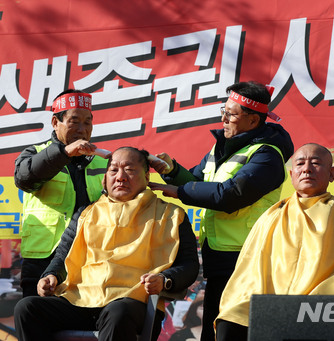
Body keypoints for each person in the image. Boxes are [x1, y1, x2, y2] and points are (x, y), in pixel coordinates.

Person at [149, 81, 293, 341]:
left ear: (252, 120)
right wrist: (169, 170)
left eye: (231, 114)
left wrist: (179, 192)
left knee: (231, 332)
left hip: (247, 257)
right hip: (217, 254)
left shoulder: (267, 156)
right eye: (223, 111)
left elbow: (232, 195)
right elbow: (196, 180)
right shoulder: (221, 147)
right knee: (212, 331)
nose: (224, 119)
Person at [14, 147, 199, 341]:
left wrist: (164, 279)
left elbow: (189, 265)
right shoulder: (86, 213)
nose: (120, 177)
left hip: (130, 302)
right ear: (105, 178)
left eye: (129, 170)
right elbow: (63, 256)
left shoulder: (171, 215)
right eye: (113, 170)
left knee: (118, 312)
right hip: (79, 299)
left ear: (146, 177)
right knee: (27, 308)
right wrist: (50, 275)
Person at [216, 143, 334, 340]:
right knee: (231, 320)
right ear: (292, 174)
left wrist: (301, 309)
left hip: (316, 309)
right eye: (300, 164)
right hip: (267, 304)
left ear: (332, 174)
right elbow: (250, 272)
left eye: (316, 163)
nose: (307, 169)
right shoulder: (272, 216)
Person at [13, 89, 108, 297]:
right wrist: (65, 153)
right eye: (74, 121)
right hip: (43, 259)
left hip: (90, 258)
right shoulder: (34, 154)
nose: (82, 129)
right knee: (35, 320)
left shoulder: (104, 161)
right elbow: (24, 179)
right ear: (56, 122)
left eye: (88, 122)